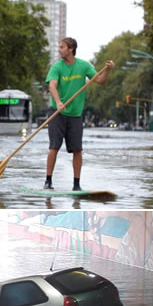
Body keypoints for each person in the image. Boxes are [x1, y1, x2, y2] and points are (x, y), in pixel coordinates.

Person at [44, 37, 115, 191]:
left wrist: (108, 70)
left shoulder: (83, 66)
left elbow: (101, 81)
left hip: (75, 115)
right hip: (57, 112)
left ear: (71, 49)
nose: (59, 49)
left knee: (77, 150)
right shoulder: (57, 67)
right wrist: (58, 102)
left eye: (62, 47)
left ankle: (76, 184)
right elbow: (52, 86)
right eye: (59, 46)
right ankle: (48, 181)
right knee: (54, 147)